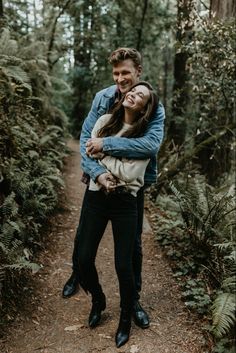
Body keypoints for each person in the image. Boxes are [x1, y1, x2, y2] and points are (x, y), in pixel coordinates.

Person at [62, 48, 165, 330]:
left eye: (126, 73)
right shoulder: (103, 99)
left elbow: (149, 146)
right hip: (97, 181)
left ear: (138, 72)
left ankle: (133, 303)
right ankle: (78, 276)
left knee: (132, 248)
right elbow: (86, 138)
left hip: (132, 186)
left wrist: (105, 146)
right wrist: (97, 173)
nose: (120, 79)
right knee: (85, 234)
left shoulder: (153, 105)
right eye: (116, 73)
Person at [77, 81, 158, 348]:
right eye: (133, 90)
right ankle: (98, 298)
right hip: (96, 195)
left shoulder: (143, 136)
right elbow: (89, 152)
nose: (133, 94)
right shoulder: (103, 120)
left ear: (146, 107)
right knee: (83, 258)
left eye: (140, 95)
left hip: (125, 200)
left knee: (124, 265)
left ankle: (125, 317)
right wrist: (103, 171)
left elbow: (132, 174)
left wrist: (104, 153)